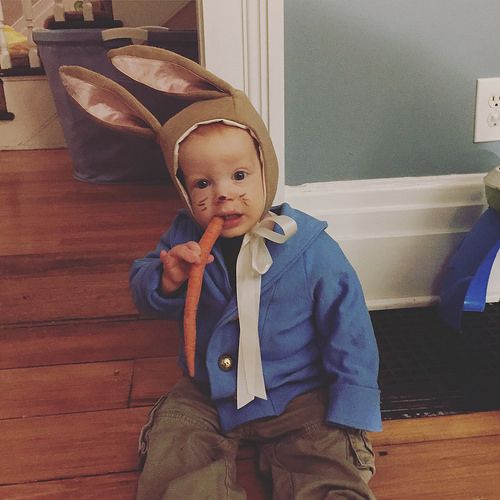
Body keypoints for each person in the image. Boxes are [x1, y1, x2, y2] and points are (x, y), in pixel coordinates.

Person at [59, 46, 382, 499]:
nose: (224, 195)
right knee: (175, 448)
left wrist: (353, 398)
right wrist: (165, 279)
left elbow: (350, 328)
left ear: (266, 170)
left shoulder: (310, 248)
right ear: (182, 188)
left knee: (326, 458)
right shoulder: (181, 238)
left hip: (300, 394)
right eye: (203, 184)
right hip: (208, 390)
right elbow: (142, 284)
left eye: (240, 176)